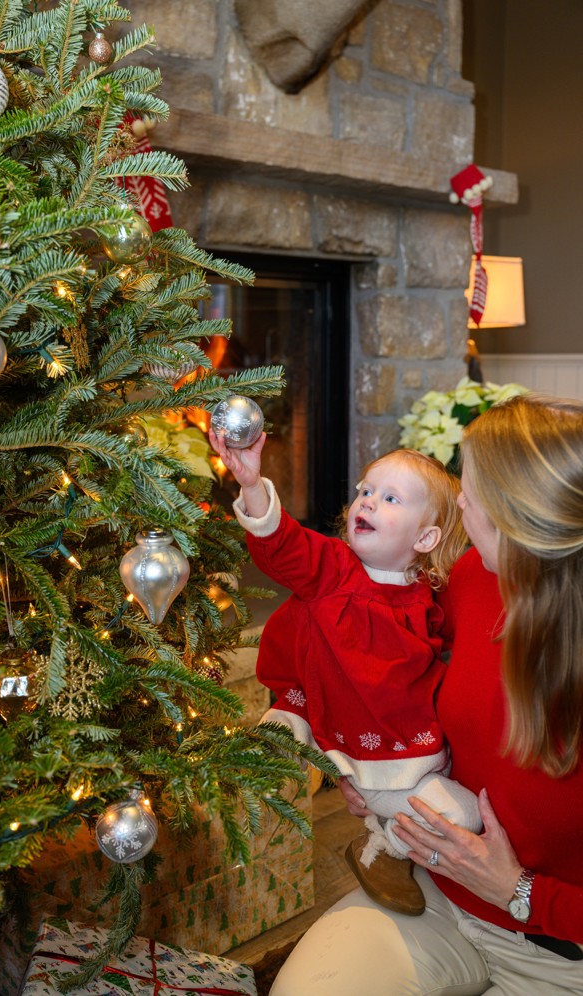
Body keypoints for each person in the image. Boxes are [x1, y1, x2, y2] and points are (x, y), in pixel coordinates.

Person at [267, 393, 583, 996]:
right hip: (436, 895)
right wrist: (367, 763)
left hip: (559, 952)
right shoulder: (469, 579)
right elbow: (382, 670)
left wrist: (518, 890)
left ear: (524, 512)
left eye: (474, 484)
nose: (459, 498)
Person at [209, 428, 480, 917]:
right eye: (365, 491)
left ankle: (382, 840)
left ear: (425, 538)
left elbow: (443, 658)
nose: (368, 503)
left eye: (390, 497)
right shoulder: (333, 568)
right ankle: (292, 750)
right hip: (329, 713)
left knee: (465, 811)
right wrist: (251, 485)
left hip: (395, 737)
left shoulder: (426, 597)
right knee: (281, 734)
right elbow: (283, 545)